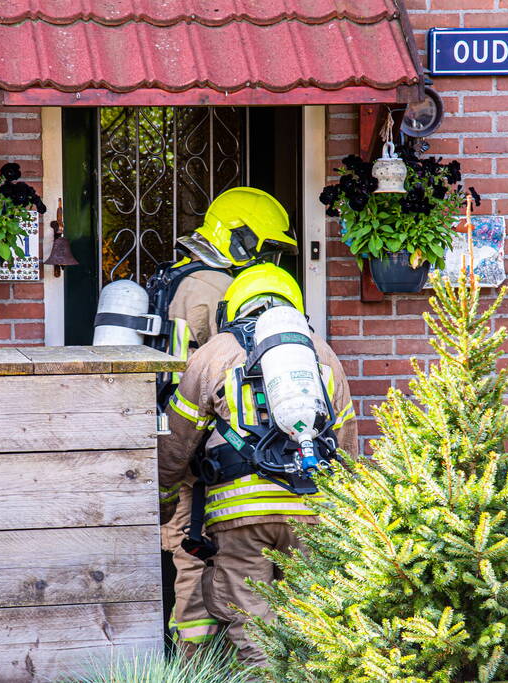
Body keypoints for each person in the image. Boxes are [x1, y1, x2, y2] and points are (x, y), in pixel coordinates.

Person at [157, 263, 358, 668]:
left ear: (232, 308)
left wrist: (162, 501)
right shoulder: (323, 354)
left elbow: (177, 442)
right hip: (311, 515)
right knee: (311, 621)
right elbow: (346, 444)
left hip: (238, 514)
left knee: (253, 625)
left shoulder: (215, 352)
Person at [152, 188, 298, 657]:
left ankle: (198, 658)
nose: (270, 259)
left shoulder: (178, 277)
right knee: (197, 551)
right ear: (241, 238)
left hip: (181, 431)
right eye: (267, 247)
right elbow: (232, 365)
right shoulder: (214, 288)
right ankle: (206, 660)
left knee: (193, 549)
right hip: (215, 447)